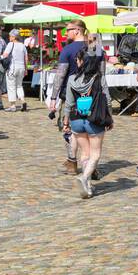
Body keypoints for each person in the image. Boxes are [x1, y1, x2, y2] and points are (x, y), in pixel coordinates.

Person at [64, 34, 113, 198]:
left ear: (82, 62)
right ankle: (84, 177)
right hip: (95, 119)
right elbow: (108, 100)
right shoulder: (99, 78)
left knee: (84, 154)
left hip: (76, 119)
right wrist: (110, 118)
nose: (76, 62)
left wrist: (65, 121)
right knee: (95, 154)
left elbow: (69, 103)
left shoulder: (72, 79)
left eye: (78, 59)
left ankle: (88, 186)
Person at [50, 22, 89, 174]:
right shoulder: (96, 49)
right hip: (91, 95)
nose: (66, 33)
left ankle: (72, 162)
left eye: (68, 30)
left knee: (68, 129)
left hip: (70, 95)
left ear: (78, 30)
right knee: (90, 131)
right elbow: (102, 74)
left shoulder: (67, 49)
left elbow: (60, 75)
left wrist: (53, 97)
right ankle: (91, 165)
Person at [2, 29, 29, 112]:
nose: (9, 37)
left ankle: (13, 106)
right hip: (21, 68)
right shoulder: (23, 45)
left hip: (12, 68)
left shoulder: (11, 44)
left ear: (14, 37)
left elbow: (5, 55)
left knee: (11, 87)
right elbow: (26, 58)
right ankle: (23, 101)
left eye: (10, 36)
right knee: (19, 86)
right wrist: (26, 69)